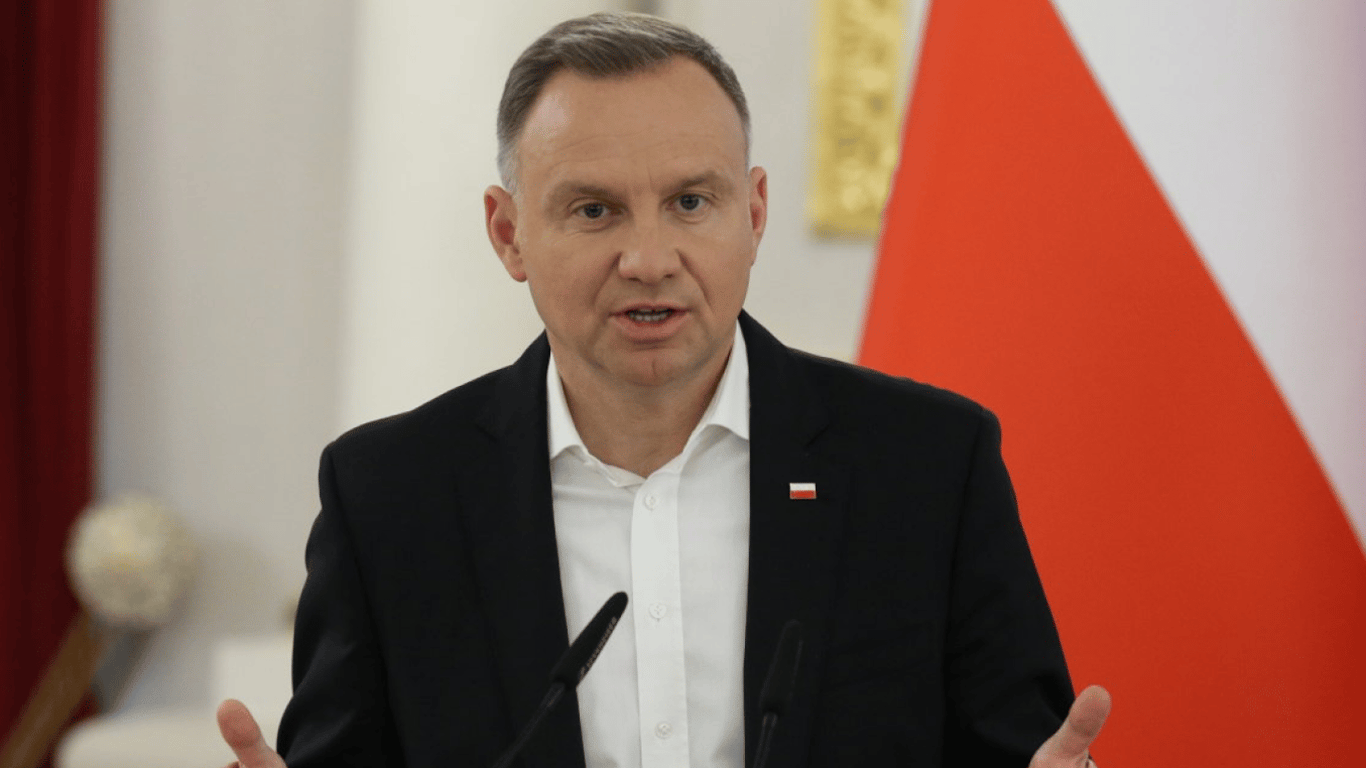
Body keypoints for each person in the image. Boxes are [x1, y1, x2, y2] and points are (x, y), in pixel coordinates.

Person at [217, 11, 1110, 768]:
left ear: (753, 214)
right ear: (508, 233)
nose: (648, 260)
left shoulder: (925, 466)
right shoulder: (390, 496)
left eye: (690, 202)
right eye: (594, 210)